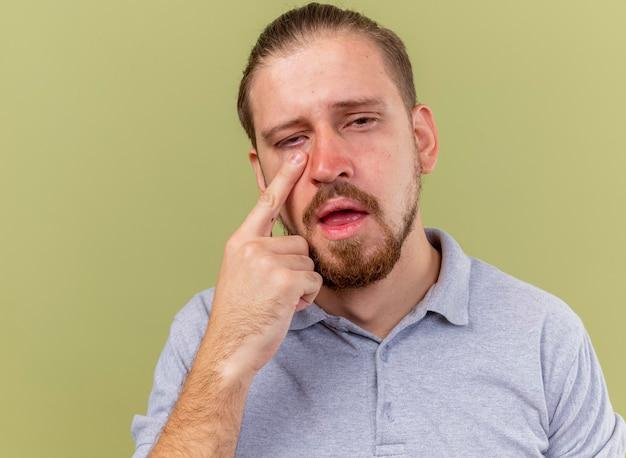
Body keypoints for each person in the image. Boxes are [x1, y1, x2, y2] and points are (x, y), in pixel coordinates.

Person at [131, 3, 626, 456]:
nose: (328, 164)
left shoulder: (542, 335)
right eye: (293, 138)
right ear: (263, 176)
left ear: (422, 141)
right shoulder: (206, 332)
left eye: (360, 120)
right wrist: (225, 363)